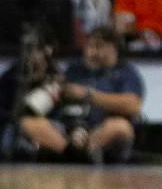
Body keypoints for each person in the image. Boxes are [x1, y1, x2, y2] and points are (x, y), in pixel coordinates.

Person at [18, 28, 144, 161]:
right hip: (67, 128)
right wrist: (50, 88)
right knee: (29, 123)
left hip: (99, 131)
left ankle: (83, 153)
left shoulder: (125, 72)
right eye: (88, 46)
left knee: (120, 127)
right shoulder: (75, 69)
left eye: (97, 47)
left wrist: (87, 94)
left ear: (112, 48)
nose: (91, 52)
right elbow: (49, 97)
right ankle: (74, 154)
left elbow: (133, 105)